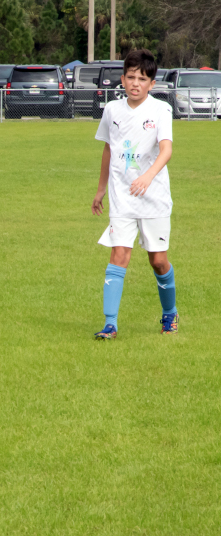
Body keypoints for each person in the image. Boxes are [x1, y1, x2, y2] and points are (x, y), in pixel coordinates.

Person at [92, 49, 177, 339]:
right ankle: (110, 324)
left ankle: (169, 314)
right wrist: (101, 189)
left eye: (142, 78)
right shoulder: (112, 110)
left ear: (152, 83)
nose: (136, 83)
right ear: (122, 79)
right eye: (131, 77)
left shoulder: (160, 110)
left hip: (154, 197)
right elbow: (108, 148)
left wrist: (147, 177)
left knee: (158, 261)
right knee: (119, 255)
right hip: (121, 197)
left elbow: (166, 149)